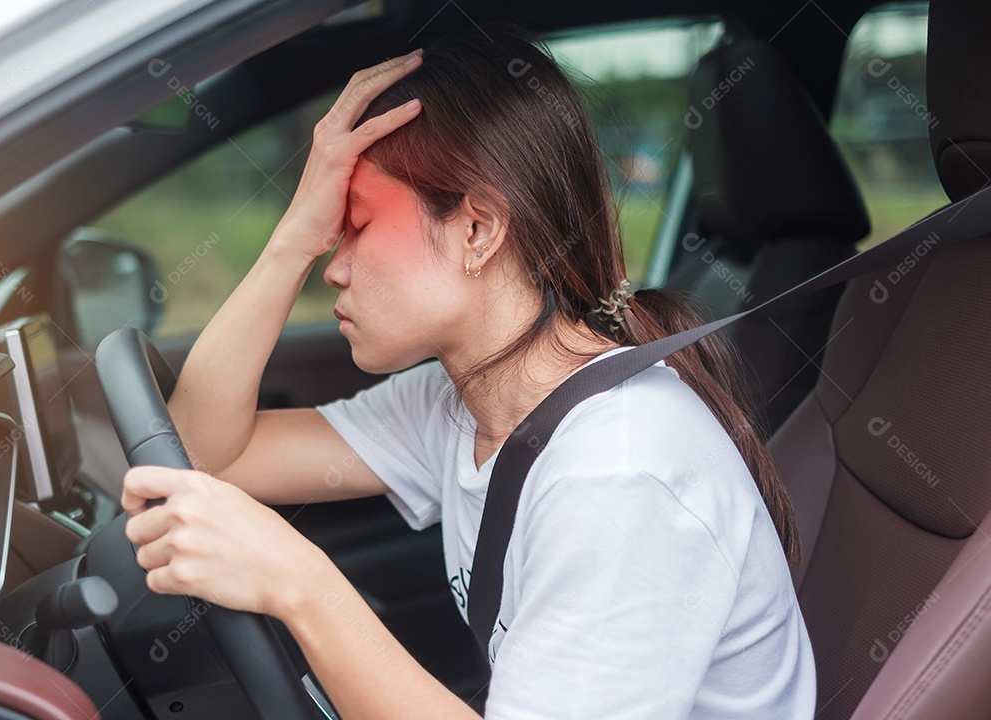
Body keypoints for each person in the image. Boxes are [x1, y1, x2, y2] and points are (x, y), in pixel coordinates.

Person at [122, 25, 817, 720]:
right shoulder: (459, 403)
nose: (330, 266)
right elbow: (207, 455)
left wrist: (299, 585)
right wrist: (290, 239)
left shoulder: (619, 473)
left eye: (355, 226)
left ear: (477, 230)